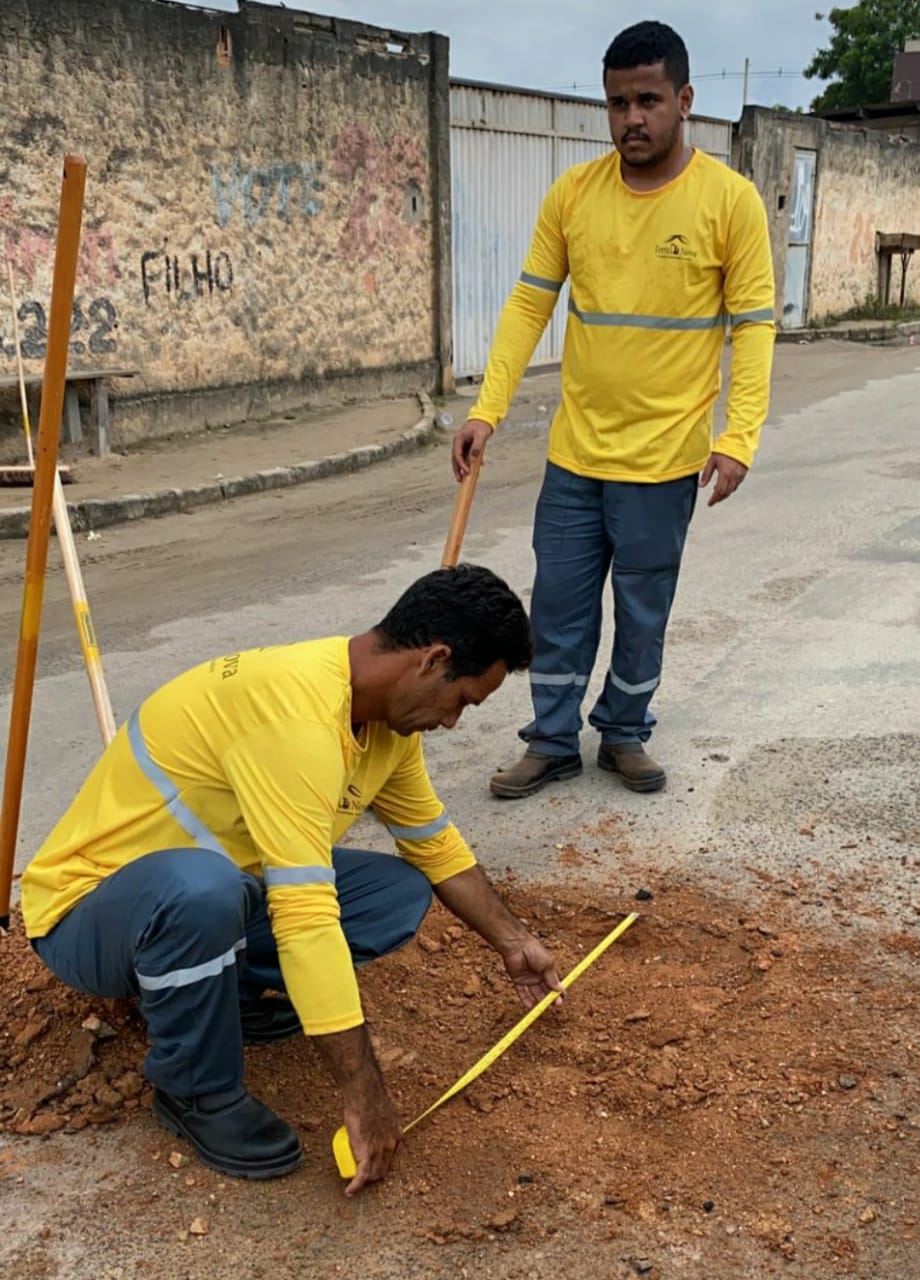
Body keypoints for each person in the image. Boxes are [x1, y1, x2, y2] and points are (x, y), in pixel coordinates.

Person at [20, 565, 561, 1195]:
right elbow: (305, 917)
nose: (452, 724)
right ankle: (194, 1088)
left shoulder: (382, 725)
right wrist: (364, 1093)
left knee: (394, 893)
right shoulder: (295, 719)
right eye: (462, 700)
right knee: (204, 891)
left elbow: (434, 845)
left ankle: (223, 996)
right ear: (433, 659)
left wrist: (512, 939)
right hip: (88, 912)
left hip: (202, 896)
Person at [452, 20, 775, 799]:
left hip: (664, 463)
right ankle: (552, 740)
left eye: (648, 100)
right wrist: (486, 408)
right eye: (617, 103)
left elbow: (753, 327)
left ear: (683, 101)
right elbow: (529, 307)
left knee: (641, 613)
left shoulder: (728, 203)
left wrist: (738, 438)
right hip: (574, 458)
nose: (631, 118)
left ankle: (623, 734)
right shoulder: (574, 195)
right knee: (557, 609)